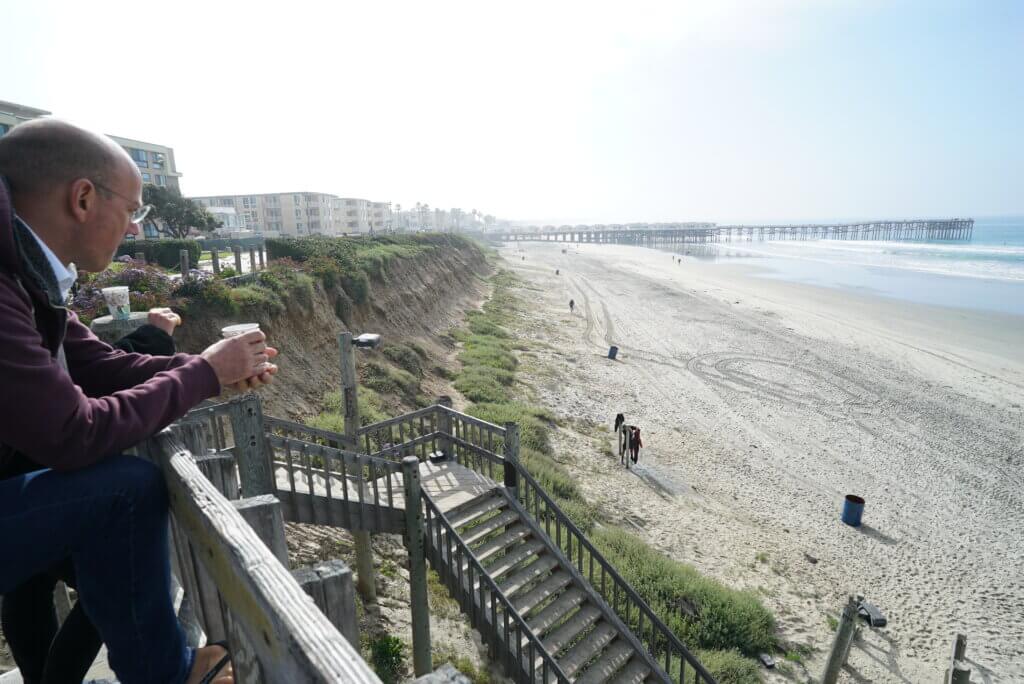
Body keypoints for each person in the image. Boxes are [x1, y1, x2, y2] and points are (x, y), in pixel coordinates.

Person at [0, 119, 279, 684]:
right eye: (133, 211)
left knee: (106, 538)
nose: (133, 227)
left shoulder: (25, 271)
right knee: (127, 493)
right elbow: (73, 434)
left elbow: (101, 365)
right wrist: (203, 372)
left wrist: (211, 371)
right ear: (82, 198)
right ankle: (167, 676)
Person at [1, 308, 183, 684]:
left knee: (30, 587)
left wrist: (180, 355)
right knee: (123, 539)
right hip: (36, 472)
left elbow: (89, 364)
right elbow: (80, 399)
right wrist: (187, 360)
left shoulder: (28, 281)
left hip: (22, 474)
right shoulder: (21, 280)